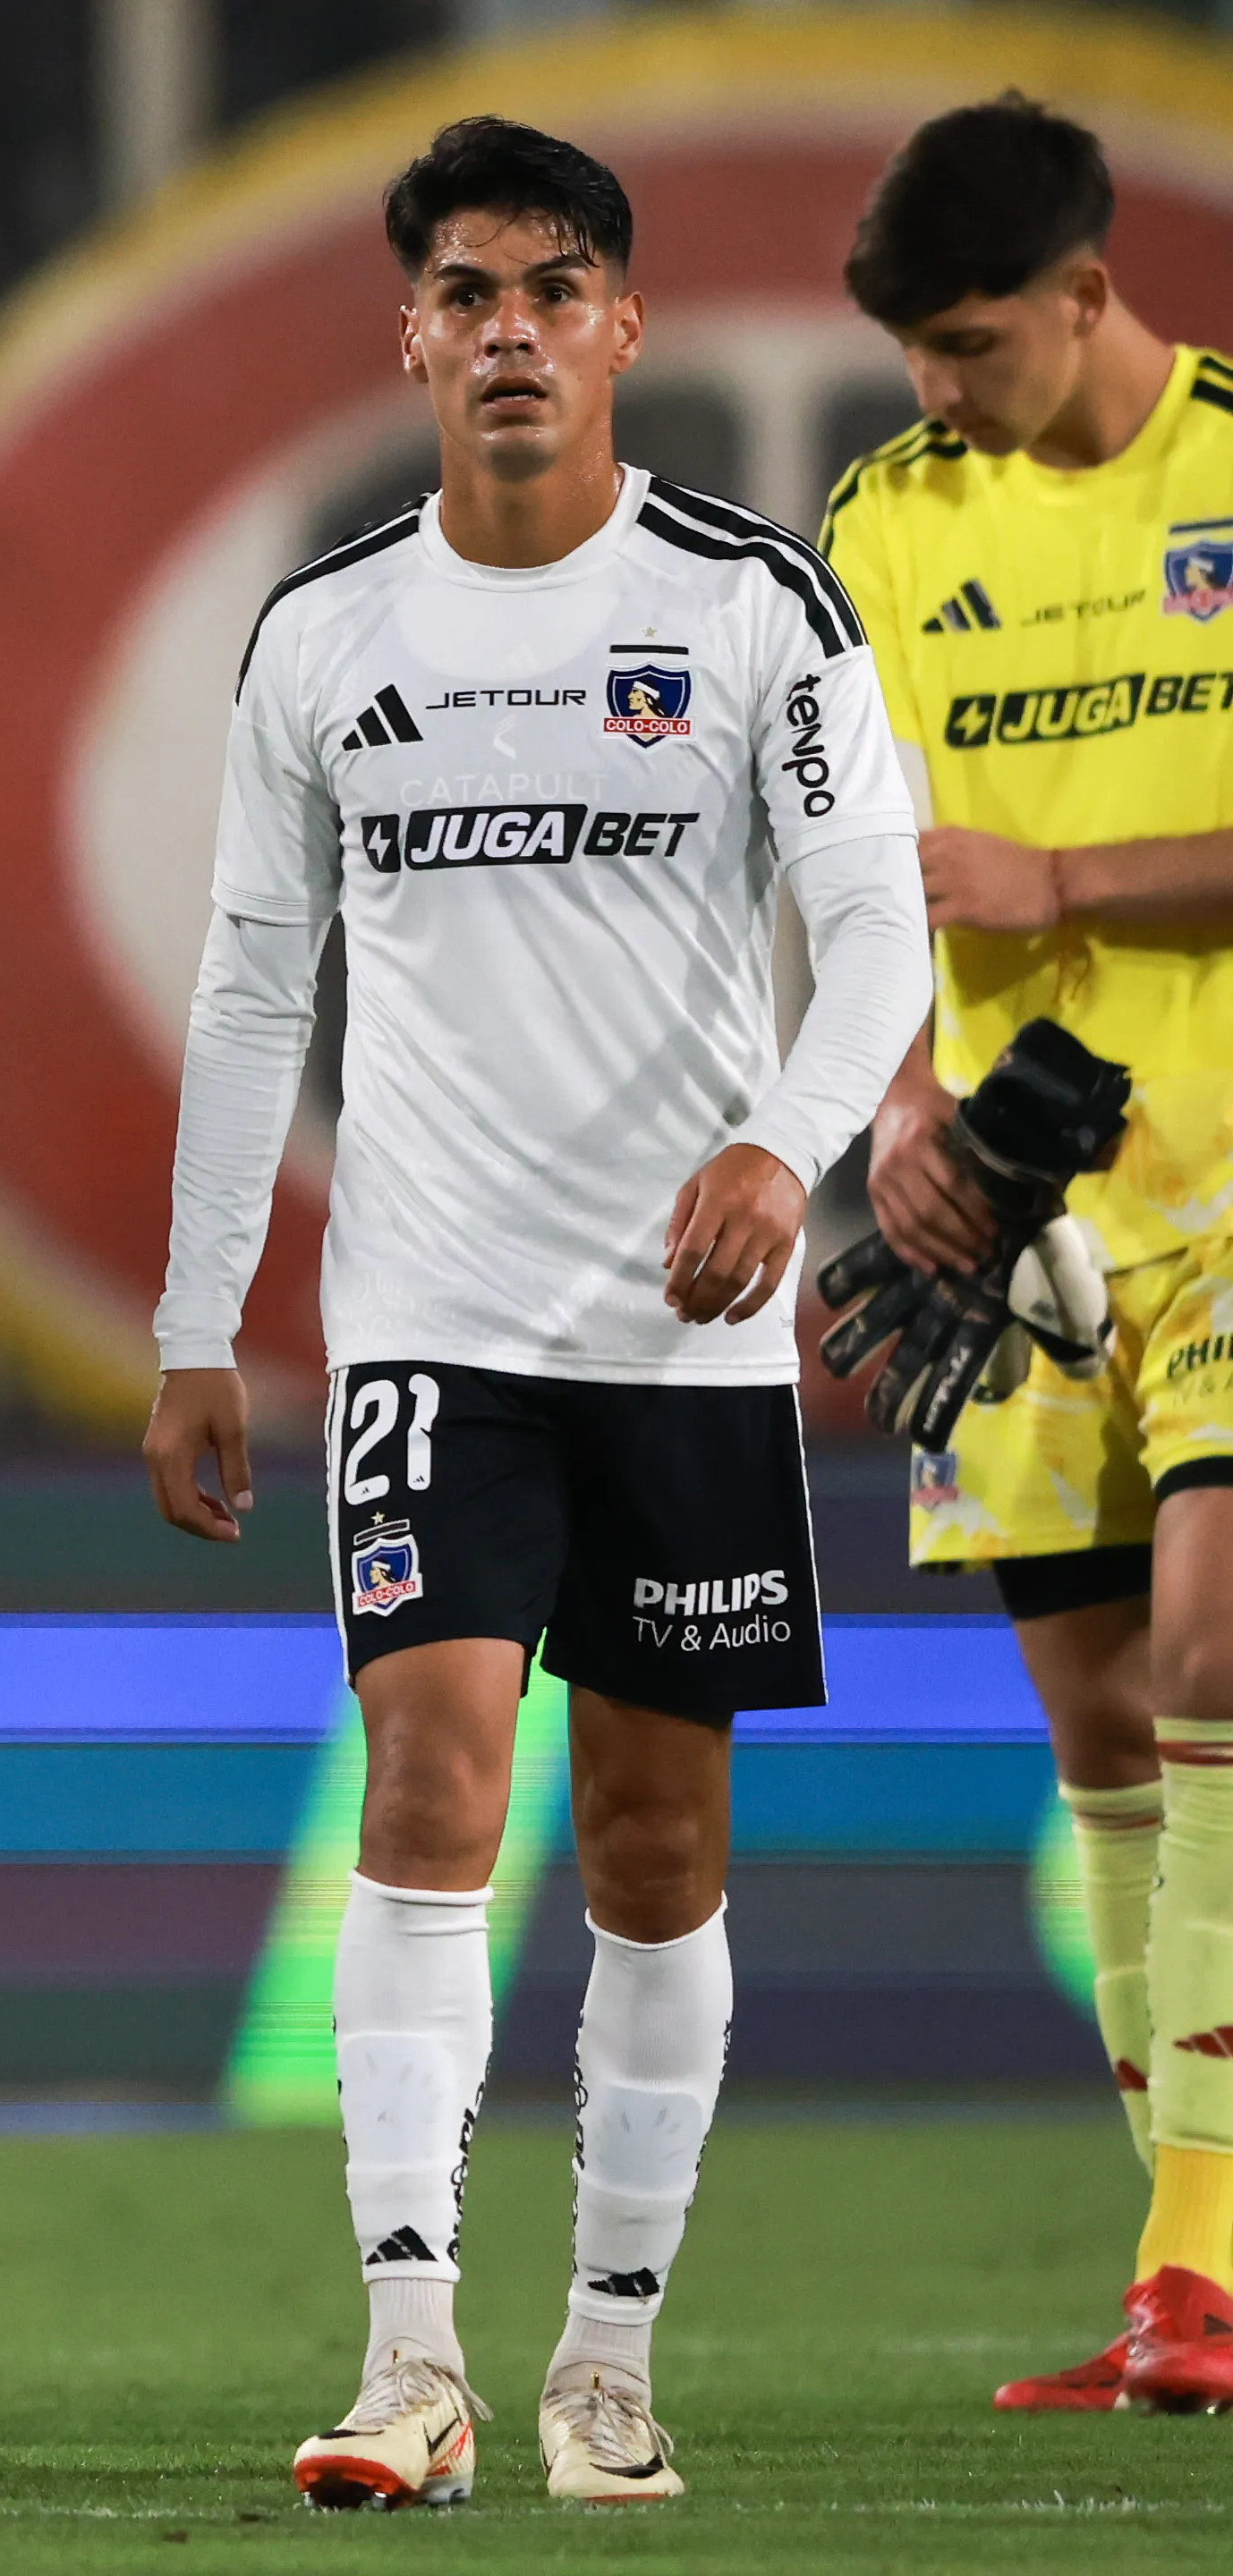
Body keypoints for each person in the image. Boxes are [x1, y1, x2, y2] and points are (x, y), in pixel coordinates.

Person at [144, 119, 931, 2507]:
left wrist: (780, 1153)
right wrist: (203, 1316)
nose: (508, 328)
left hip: (682, 1334)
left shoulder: (753, 609)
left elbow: (880, 928)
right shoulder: (326, 635)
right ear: (411, 335)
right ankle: (410, 2358)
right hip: (432, 1319)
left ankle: (608, 2359)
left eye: (552, 287)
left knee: (656, 1848)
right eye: (466, 290)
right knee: (431, 1786)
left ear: (625, 329)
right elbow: (254, 979)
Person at [821, 93, 1233, 2413]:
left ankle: (1205, 2263)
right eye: (917, 354)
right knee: (1096, 1720)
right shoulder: (889, 517)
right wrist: (892, 1115)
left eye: (973, 344)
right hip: (1014, 1205)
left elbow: (1011, 874)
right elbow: (852, 878)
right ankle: (1184, 2261)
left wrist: (1070, 887)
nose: (937, 392)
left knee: (1211, 1637)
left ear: (1091, 291)